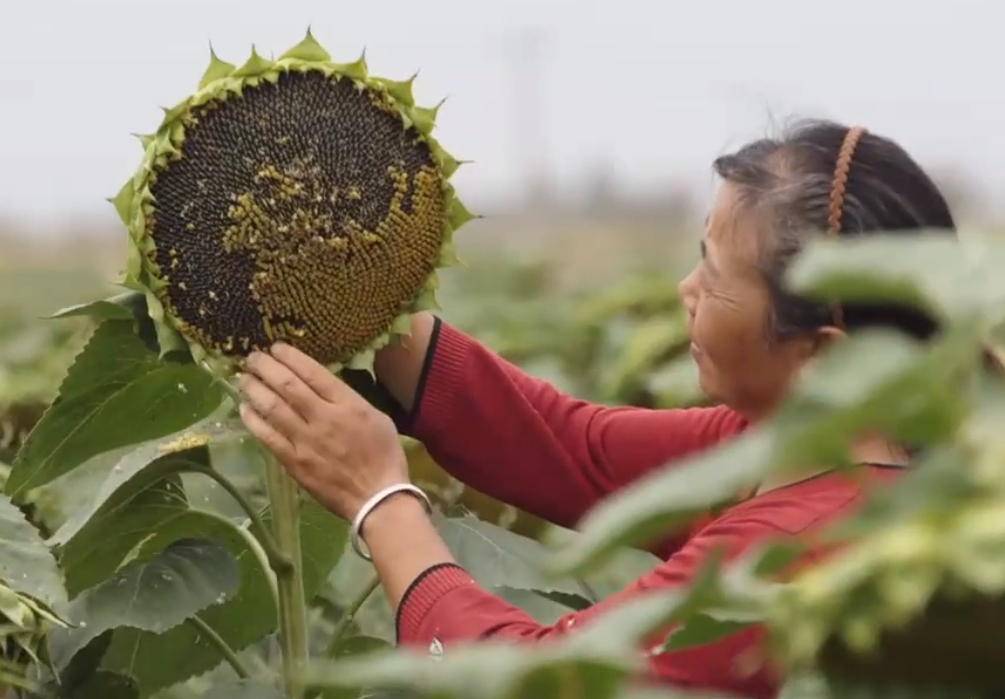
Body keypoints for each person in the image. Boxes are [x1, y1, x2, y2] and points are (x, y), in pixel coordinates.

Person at [234, 119, 958, 699]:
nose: (685, 289)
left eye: (712, 272)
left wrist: (381, 503)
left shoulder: (797, 558)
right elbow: (574, 448)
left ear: (822, 355)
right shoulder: (818, 452)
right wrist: (368, 295)